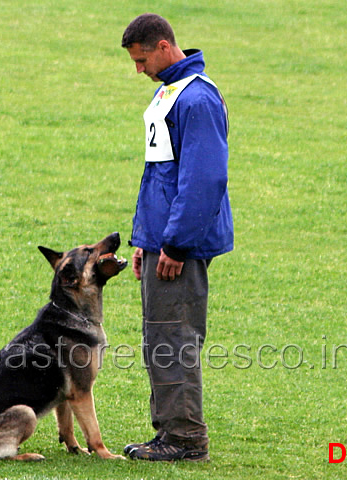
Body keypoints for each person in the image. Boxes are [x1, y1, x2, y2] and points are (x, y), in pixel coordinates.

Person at [121, 13, 233, 462]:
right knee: (160, 339)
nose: (139, 69)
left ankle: (185, 440)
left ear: (165, 46)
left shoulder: (197, 99)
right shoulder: (169, 92)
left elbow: (204, 180)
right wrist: (145, 242)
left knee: (173, 339)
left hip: (178, 247)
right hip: (161, 243)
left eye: (143, 59)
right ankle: (171, 434)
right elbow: (158, 176)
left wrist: (174, 245)